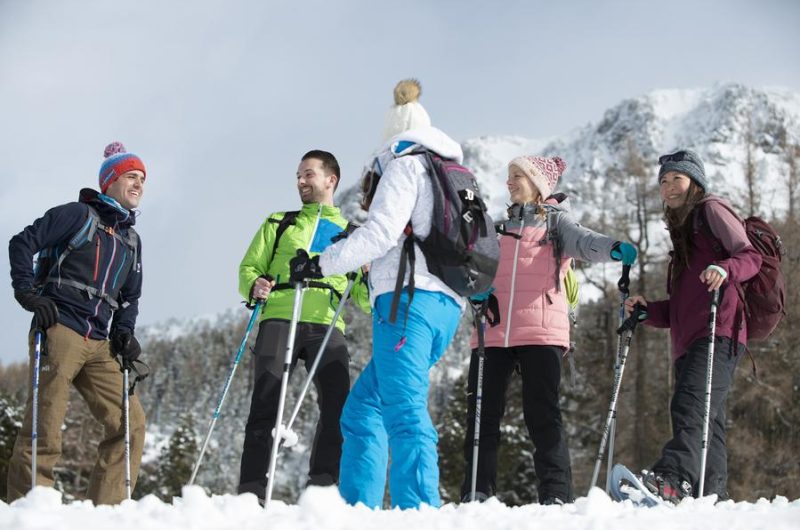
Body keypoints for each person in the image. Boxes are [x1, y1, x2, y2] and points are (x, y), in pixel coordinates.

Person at [460, 155, 637, 505]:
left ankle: (555, 494)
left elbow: (586, 242)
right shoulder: (495, 229)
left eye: (517, 176)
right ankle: (476, 493)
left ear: (538, 185)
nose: (509, 182)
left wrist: (614, 248)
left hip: (541, 332)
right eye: (508, 176)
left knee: (542, 413)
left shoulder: (556, 224)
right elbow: (474, 273)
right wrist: (475, 292)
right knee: (481, 415)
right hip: (492, 332)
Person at [7, 142, 147, 504]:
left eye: (142, 179)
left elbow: (130, 296)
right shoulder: (76, 215)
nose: (139, 184)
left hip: (99, 343)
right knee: (46, 421)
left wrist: (124, 333)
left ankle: (108, 512)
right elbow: (23, 242)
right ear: (110, 181)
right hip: (61, 328)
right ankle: (32, 509)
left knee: (129, 422)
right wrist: (27, 293)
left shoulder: (131, 239)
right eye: (131, 176)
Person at [625, 149, 761, 503]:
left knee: (689, 406)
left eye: (677, 179)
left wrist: (725, 268)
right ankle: (711, 498)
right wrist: (646, 311)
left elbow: (750, 256)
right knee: (707, 422)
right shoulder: (683, 233)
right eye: (664, 181)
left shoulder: (710, 210)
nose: (669, 187)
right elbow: (681, 309)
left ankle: (673, 479)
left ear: (695, 183)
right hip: (691, 340)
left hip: (720, 332)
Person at [237, 150, 370, 501]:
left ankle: (322, 488)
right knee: (266, 400)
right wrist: (254, 285)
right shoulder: (280, 222)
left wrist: (369, 279)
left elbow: (364, 299)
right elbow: (249, 268)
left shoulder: (352, 234)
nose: (300, 181)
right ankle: (251, 492)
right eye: (298, 175)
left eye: (308, 174)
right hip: (280, 314)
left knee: (337, 404)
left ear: (331, 180)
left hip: (326, 321)